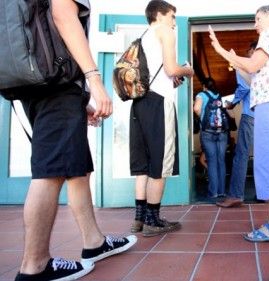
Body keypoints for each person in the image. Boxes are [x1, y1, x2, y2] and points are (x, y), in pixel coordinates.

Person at [14, 0, 138, 280]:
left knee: (76, 165)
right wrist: (94, 80)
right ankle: (34, 267)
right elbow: (63, 15)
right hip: (57, 83)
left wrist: (79, 101)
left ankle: (94, 242)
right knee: (52, 168)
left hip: (42, 81)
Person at [209, 4, 269, 242]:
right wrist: (236, 61)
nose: (255, 23)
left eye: (258, 18)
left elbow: (251, 65)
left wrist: (222, 51)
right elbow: (253, 75)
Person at [129, 0, 194, 237]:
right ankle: (153, 220)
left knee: (143, 165)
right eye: (172, 16)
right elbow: (171, 69)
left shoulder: (143, 36)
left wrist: (172, 77)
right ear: (160, 14)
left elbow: (159, 72)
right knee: (161, 163)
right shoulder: (165, 31)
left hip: (140, 104)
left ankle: (139, 218)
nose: (174, 22)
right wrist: (187, 69)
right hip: (159, 104)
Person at [217, 42, 257, 208]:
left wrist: (232, 103)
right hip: (267, 116)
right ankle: (267, 194)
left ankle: (235, 195)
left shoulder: (244, 68)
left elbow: (243, 88)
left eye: (249, 52)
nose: (248, 56)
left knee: (241, 155)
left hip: (250, 116)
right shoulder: (266, 67)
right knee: (265, 156)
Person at [194, 78, 229, 200]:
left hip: (208, 132)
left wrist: (202, 117)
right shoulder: (220, 96)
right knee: (221, 161)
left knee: (212, 161)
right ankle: (222, 191)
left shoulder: (201, 94)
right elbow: (229, 112)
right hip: (222, 133)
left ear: (204, 86)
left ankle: (213, 192)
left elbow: (197, 109)